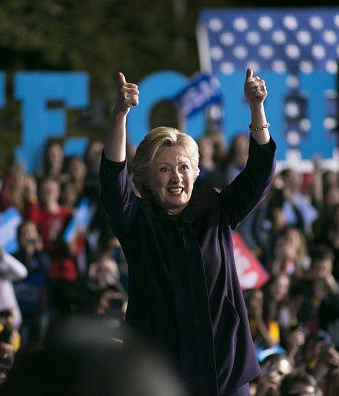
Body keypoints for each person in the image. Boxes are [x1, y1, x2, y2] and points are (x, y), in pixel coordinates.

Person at [100, 69, 276, 396]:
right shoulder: (135, 220)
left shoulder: (216, 209)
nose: (176, 177)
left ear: (196, 172)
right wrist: (120, 115)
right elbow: (113, 179)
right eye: (164, 169)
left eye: (183, 167)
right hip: (160, 378)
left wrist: (256, 108)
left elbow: (259, 174)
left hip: (225, 372)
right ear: (146, 177)